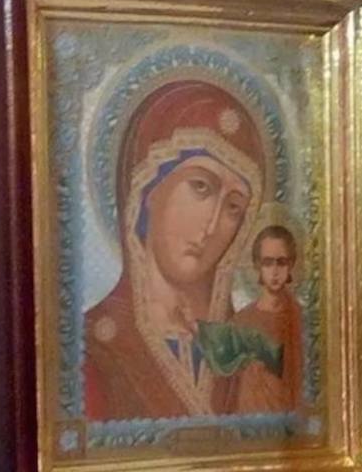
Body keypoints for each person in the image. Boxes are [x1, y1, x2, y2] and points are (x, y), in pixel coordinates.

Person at [83, 79, 282, 421]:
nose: (211, 225)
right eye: (201, 187)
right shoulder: (91, 350)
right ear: (147, 191)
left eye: (234, 207)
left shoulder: (249, 351)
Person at [219, 225, 305, 415]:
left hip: (288, 422)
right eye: (267, 263)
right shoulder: (240, 323)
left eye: (281, 262)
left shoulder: (300, 319)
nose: (274, 271)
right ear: (257, 266)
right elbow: (230, 391)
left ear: (291, 264)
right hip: (247, 423)